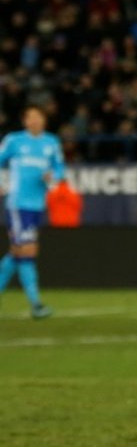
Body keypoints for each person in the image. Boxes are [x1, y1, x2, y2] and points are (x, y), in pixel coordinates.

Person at [0, 106, 65, 318]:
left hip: (37, 204)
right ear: (25, 121)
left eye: (39, 117)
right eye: (31, 117)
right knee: (27, 252)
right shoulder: (14, 140)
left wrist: (52, 176)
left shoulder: (52, 142)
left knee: (18, 252)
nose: (35, 120)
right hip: (18, 204)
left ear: (44, 120)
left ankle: (36, 305)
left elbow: (59, 168)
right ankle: (36, 305)